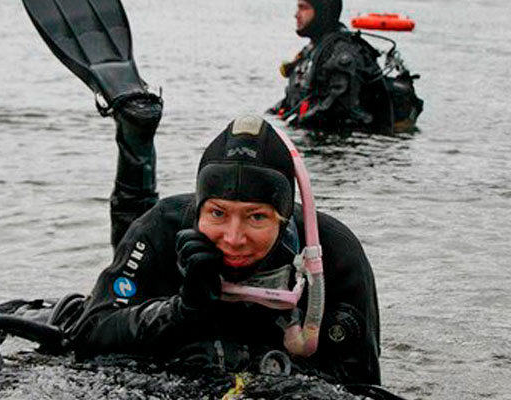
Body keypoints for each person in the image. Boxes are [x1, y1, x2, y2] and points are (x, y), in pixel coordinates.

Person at [54, 114, 381, 385]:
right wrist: (183, 310)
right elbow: (89, 333)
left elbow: (362, 384)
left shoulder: (336, 254)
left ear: (282, 220)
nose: (234, 237)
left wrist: (271, 373)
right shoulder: (160, 229)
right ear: (198, 210)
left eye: (256, 216)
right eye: (217, 213)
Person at [269, 0, 423, 136]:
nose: (296, 15)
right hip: (315, 132)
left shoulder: (344, 55)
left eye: (303, 8)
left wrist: (293, 124)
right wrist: (270, 118)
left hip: (345, 141)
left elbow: (338, 109)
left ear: (322, 13)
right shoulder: (313, 50)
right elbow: (293, 99)